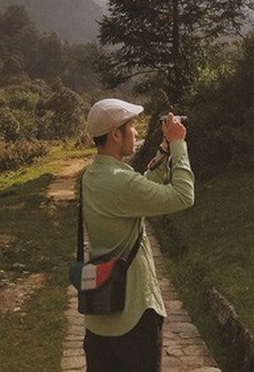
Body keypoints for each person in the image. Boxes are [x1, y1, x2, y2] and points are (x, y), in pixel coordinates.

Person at [80, 97, 194, 372]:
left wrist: (164, 151)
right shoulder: (121, 181)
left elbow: (139, 189)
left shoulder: (92, 175)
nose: (136, 133)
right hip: (133, 317)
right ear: (115, 134)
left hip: (98, 318)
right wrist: (179, 146)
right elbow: (183, 196)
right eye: (131, 127)